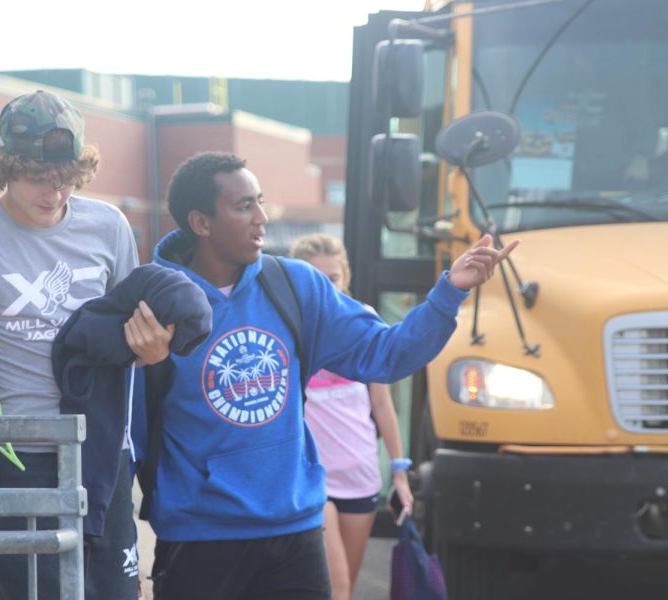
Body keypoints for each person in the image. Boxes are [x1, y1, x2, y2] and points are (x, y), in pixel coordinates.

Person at [143, 151, 518, 600]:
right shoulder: (152, 301)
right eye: (244, 206)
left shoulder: (296, 286)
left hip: (296, 531)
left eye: (260, 201)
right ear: (201, 223)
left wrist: (448, 293)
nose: (262, 217)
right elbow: (127, 431)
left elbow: (387, 355)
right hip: (200, 537)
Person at [0, 89, 171, 600]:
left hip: (103, 450)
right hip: (17, 454)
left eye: (66, 179)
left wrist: (154, 350)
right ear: (6, 169)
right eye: (38, 179)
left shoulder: (109, 226)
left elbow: (136, 338)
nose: (54, 193)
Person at [290, 233, 413, 600]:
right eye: (316, 278)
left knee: (349, 587)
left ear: (345, 277)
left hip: (361, 476)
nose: (326, 286)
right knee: (336, 587)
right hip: (314, 479)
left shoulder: (364, 321)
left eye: (333, 278)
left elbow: (382, 403)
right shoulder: (291, 327)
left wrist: (400, 472)